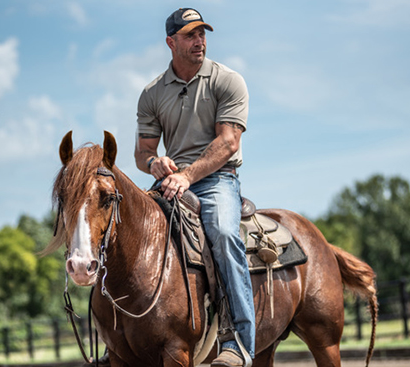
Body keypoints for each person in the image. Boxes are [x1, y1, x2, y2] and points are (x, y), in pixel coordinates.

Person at [134, 7, 255, 367]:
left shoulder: (227, 81)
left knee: (222, 232)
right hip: (170, 181)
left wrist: (187, 175)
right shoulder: (152, 93)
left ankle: (240, 342)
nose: (199, 41)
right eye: (190, 35)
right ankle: (120, 338)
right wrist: (154, 163)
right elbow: (142, 152)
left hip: (216, 178)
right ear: (171, 42)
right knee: (128, 232)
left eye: (202, 33)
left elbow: (228, 143)